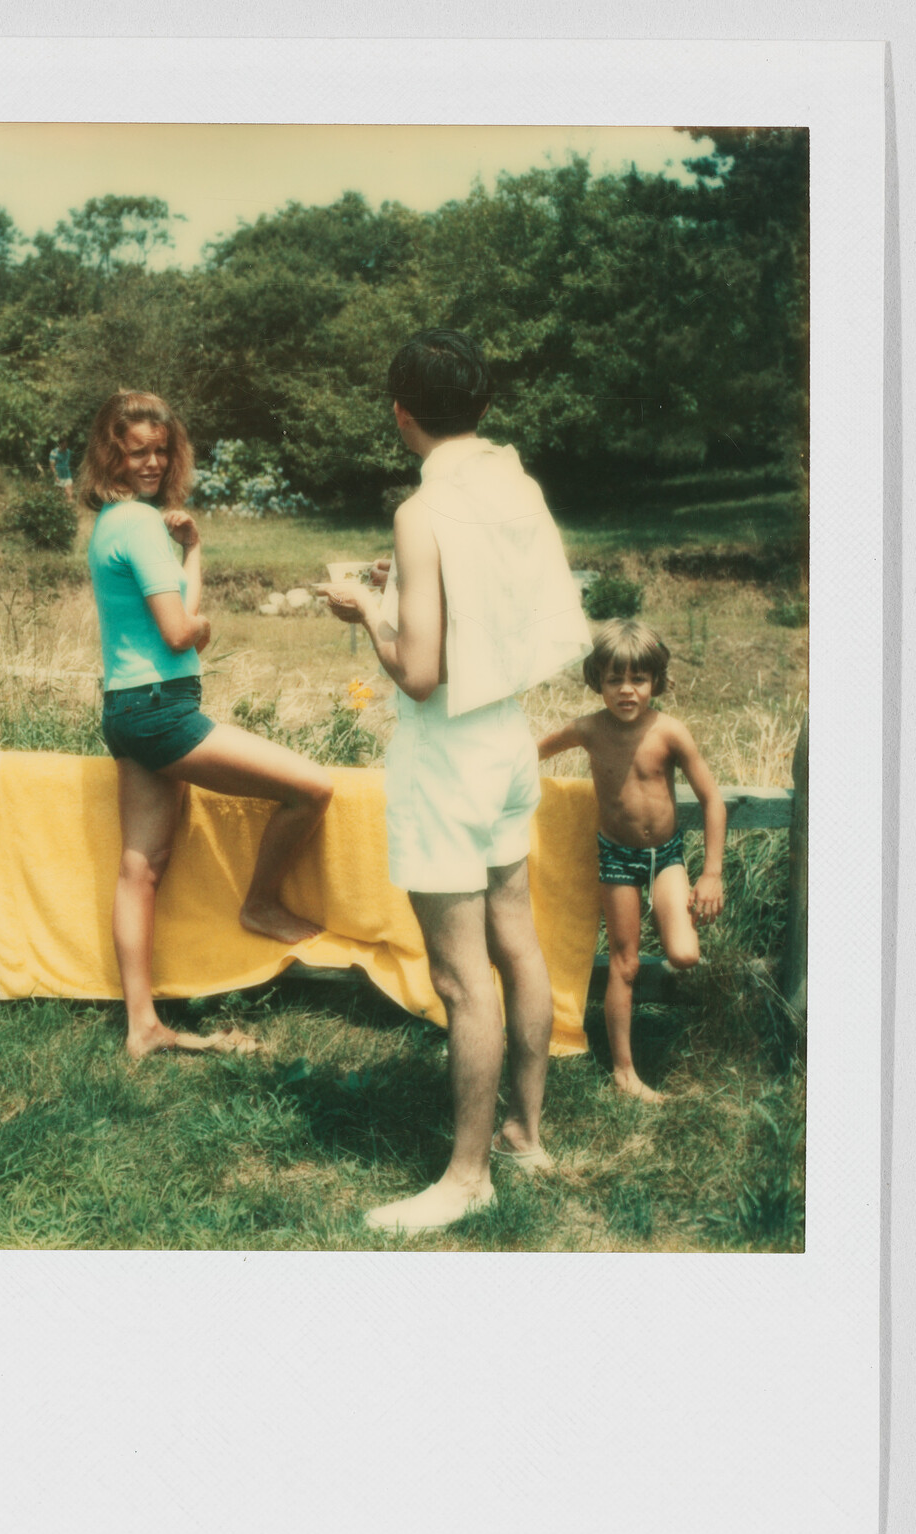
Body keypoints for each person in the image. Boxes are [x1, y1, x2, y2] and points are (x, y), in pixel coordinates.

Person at [320, 329, 593, 1234]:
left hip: (447, 753)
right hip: (510, 737)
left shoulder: (421, 512)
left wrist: (367, 610)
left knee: (460, 972)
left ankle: (466, 1179)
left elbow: (421, 671)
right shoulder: (514, 485)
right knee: (516, 935)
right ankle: (526, 1131)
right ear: (483, 407)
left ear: (403, 415)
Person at [83, 390, 334, 1061]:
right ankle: (261, 905)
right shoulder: (138, 524)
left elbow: (171, 617)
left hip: (127, 709)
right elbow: (180, 631)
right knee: (311, 788)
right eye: (138, 451)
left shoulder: (114, 524)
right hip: (163, 709)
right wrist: (202, 628)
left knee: (142, 868)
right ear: (112, 453)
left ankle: (143, 1026)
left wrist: (192, 552)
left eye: (163, 451)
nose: (154, 463)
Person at [537, 619, 726, 1102]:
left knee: (684, 954)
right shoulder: (589, 729)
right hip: (617, 856)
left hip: (666, 856)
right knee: (624, 962)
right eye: (613, 680)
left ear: (655, 682)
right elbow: (527, 754)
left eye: (638, 680)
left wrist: (711, 873)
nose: (626, 691)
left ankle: (640, 1054)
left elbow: (713, 801)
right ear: (596, 680)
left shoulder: (670, 733)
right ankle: (625, 1073)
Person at [51, 437, 74, 502]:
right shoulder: (54, 452)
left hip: (67, 476)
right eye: (64, 445)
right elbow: (52, 465)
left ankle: (70, 509)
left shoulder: (68, 452)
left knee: (69, 495)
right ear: (60, 444)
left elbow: (67, 463)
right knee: (58, 497)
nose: (65, 447)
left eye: (66, 445)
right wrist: (55, 476)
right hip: (58, 476)